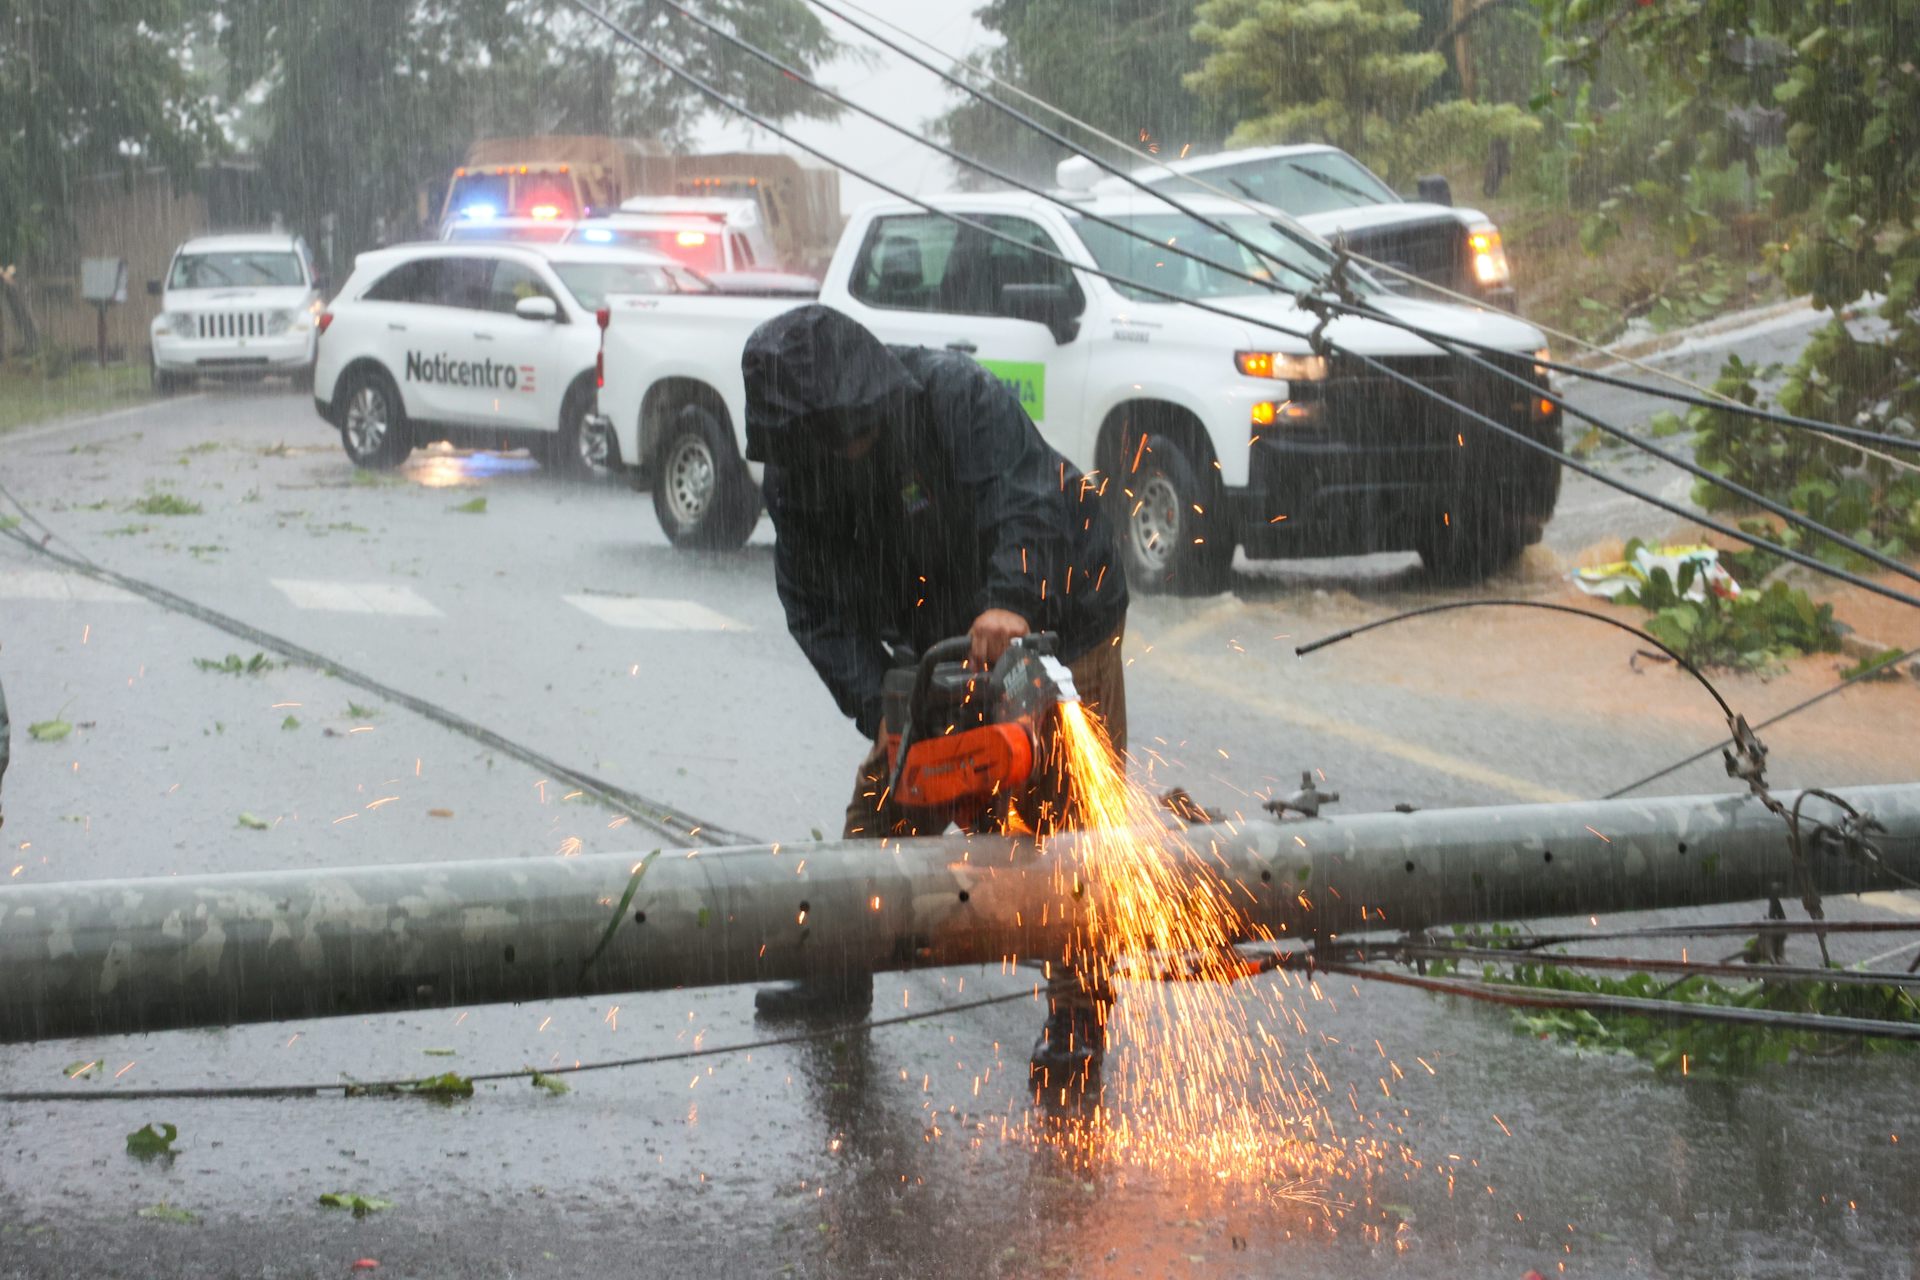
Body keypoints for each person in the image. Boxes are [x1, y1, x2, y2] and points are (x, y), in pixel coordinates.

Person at [741, 305, 1129, 1078]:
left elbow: (1030, 495)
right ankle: (841, 969)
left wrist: (1012, 597)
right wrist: (878, 708)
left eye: (852, 429)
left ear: (871, 398)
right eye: (825, 436)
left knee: (1072, 813)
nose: (843, 446)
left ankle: (1078, 1012)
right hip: (937, 640)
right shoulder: (799, 475)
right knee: (882, 805)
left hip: (1058, 610)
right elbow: (815, 609)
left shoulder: (955, 396)